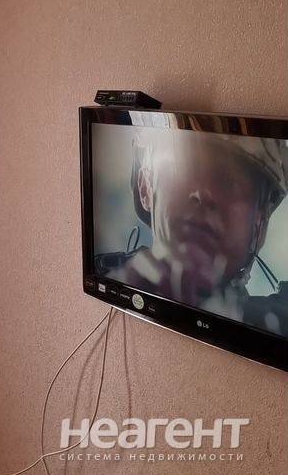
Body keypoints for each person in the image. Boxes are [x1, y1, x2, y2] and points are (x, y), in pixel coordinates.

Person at [95, 128, 288, 336]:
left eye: (230, 182)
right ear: (145, 187)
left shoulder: (274, 326)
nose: (205, 193)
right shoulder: (102, 278)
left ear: (260, 223)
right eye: (184, 167)